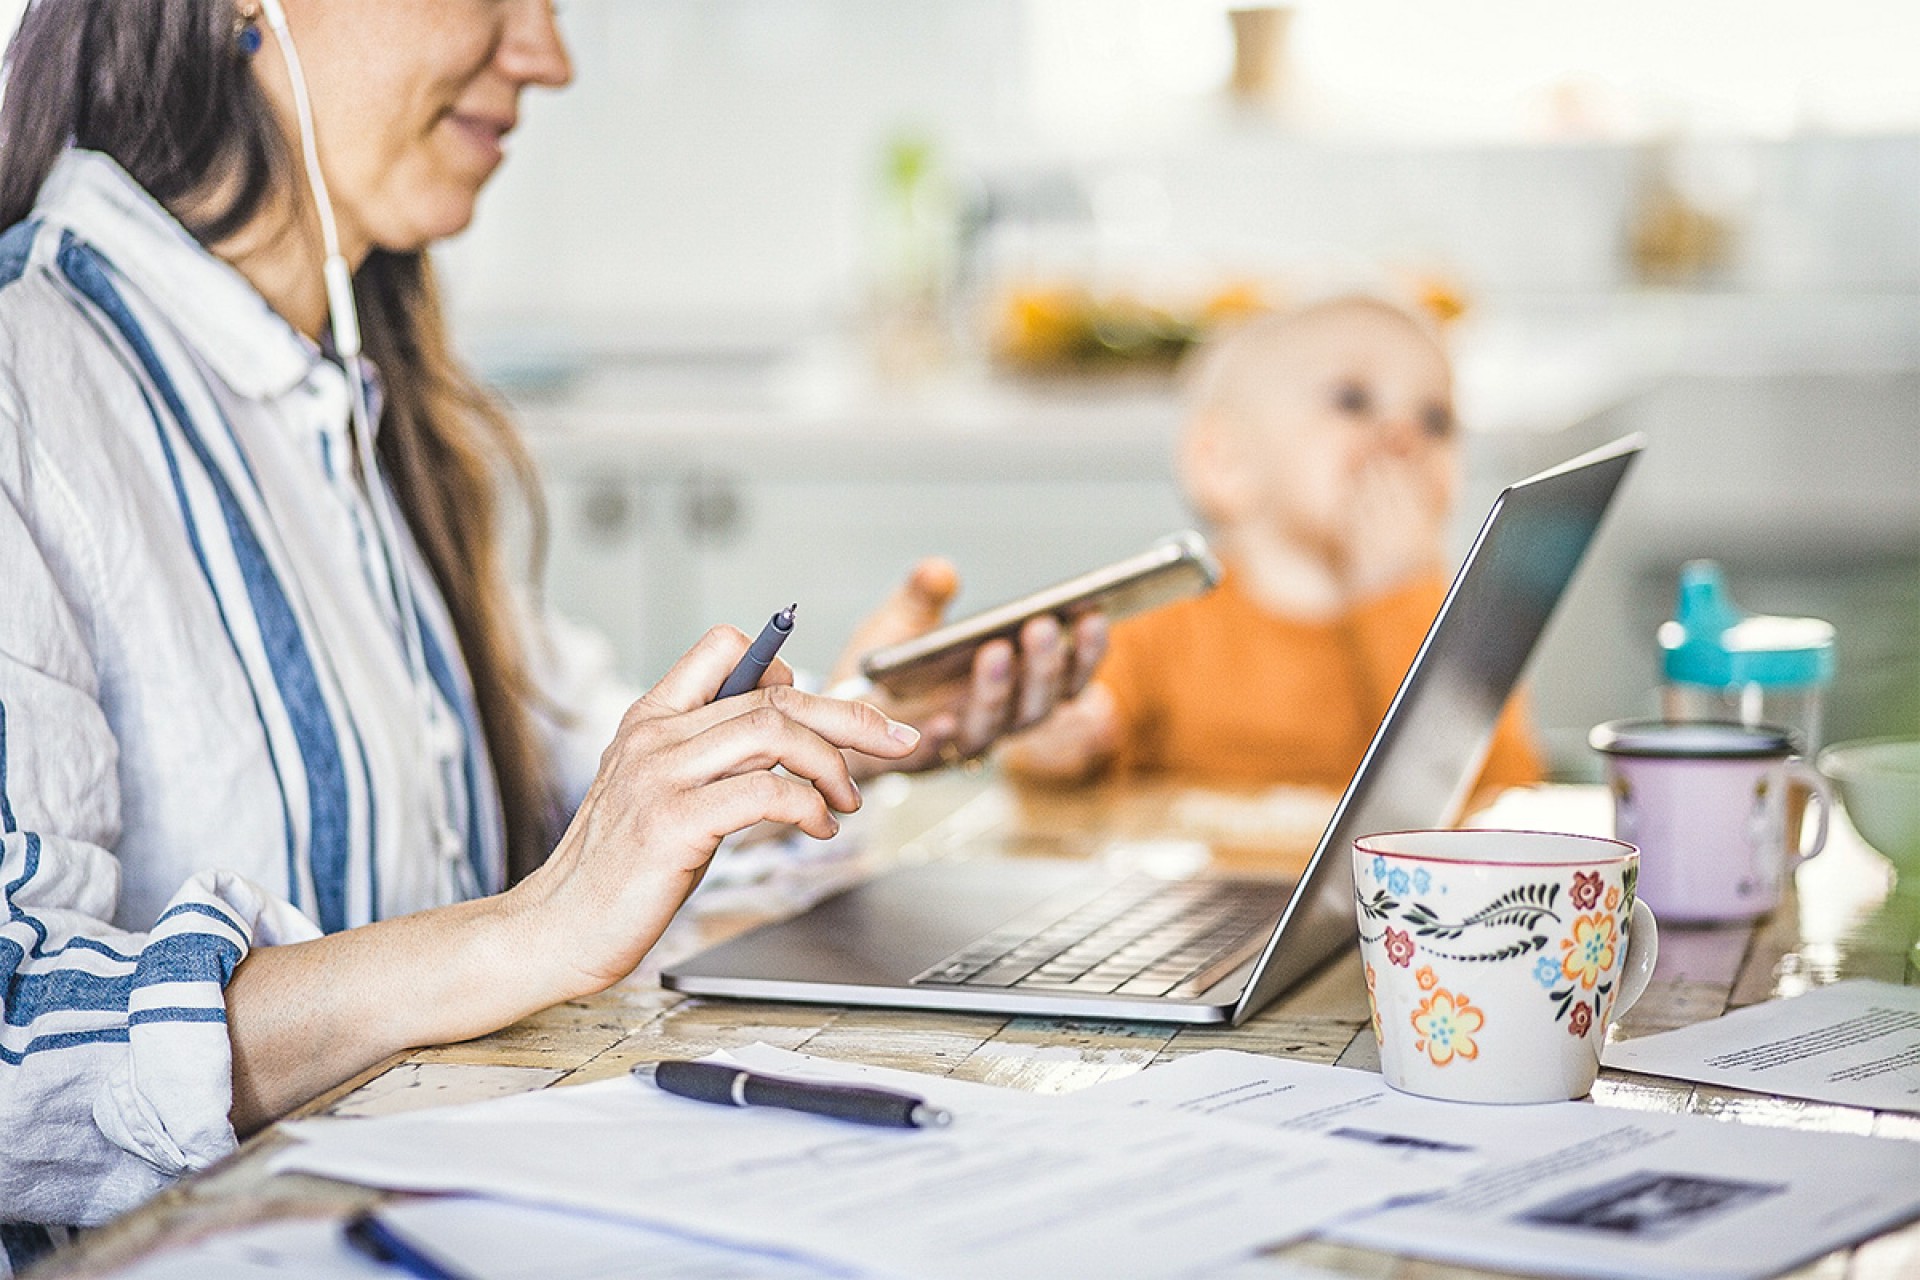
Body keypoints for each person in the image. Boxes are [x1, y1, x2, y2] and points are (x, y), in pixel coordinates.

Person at [0, 0, 1100, 1259]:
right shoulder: (24, 384)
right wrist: (523, 932)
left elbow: (610, 853)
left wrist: (841, 734)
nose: (548, 55)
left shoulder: (366, 408)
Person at [1003, 295, 1543, 794]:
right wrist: (1055, 745)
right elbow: (1062, 755)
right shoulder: (1166, 623)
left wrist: (1401, 590)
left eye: (1436, 419)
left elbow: (1503, 799)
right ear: (1225, 462)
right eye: (1352, 401)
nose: (1402, 436)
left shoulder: (1452, 629)